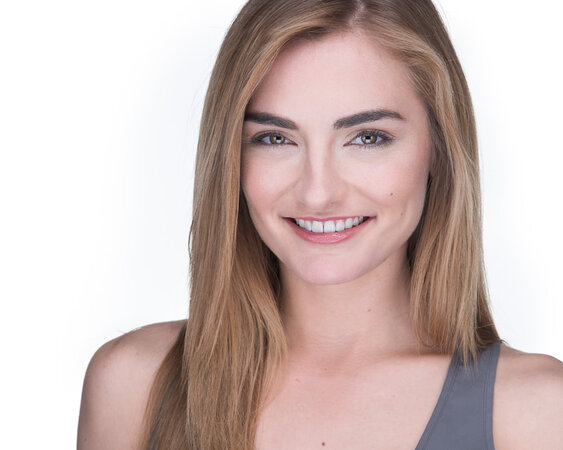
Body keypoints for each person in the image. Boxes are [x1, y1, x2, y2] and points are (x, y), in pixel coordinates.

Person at [77, 0, 563, 448]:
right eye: (274, 138)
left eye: (367, 137)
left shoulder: (537, 413)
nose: (318, 192)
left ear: (439, 146)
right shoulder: (135, 387)